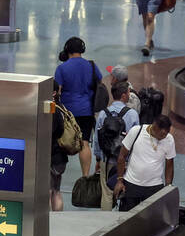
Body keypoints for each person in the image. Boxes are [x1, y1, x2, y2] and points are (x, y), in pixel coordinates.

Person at [53, 37, 103, 179]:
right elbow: (99, 82)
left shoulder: (62, 68)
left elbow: (58, 90)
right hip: (87, 110)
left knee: (62, 141)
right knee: (84, 144)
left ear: (67, 50)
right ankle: (85, 176)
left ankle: (57, 173)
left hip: (68, 113)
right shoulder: (91, 66)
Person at [92, 78, 139, 210]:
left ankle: (105, 223)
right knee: (126, 191)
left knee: (107, 192)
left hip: (107, 160)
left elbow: (97, 139)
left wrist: (99, 158)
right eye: (129, 92)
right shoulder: (132, 115)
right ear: (124, 95)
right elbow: (136, 139)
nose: (129, 94)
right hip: (125, 161)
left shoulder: (103, 114)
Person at [115, 115, 175, 212]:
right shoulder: (136, 131)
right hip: (131, 184)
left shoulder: (169, 139)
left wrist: (168, 188)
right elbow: (122, 156)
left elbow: (170, 164)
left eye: (166, 133)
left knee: (151, 221)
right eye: (162, 135)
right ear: (154, 127)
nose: (164, 137)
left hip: (154, 186)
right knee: (126, 218)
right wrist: (119, 181)